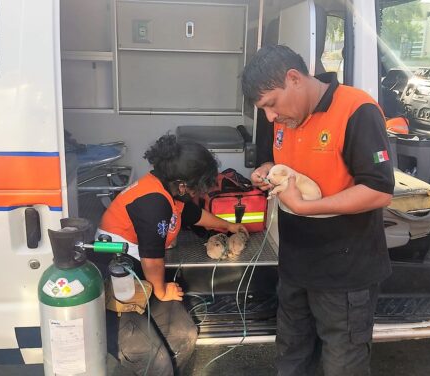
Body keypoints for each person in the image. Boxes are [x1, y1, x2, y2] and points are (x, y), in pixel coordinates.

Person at [242, 45, 395, 376]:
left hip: (345, 270)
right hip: (296, 263)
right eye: (263, 110)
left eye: (270, 105)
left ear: (294, 78)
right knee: (292, 355)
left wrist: (306, 206)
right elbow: (279, 161)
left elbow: (379, 190)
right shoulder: (283, 116)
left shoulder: (356, 110)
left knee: (342, 364)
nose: (269, 117)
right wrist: (267, 170)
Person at [89, 134, 247, 376]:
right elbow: (152, 259)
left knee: (184, 335)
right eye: (197, 187)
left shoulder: (166, 189)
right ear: (183, 184)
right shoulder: (154, 202)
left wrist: (227, 226)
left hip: (141, 279)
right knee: (156, 359)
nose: (197, 193)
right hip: (117, 288)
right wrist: (162, 291)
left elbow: (193, 214)